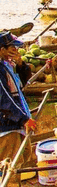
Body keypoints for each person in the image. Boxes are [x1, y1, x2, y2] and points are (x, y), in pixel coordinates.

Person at [0, 32, 36, 179]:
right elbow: (4, 99)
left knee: (22, 160)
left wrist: (21, 64)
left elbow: (22, 83)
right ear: (1, 49)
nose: (15, 50)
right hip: (7, 126)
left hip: (15, 121)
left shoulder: (7, 64)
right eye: (11, 47)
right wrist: (23, 119)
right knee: (10, 169)